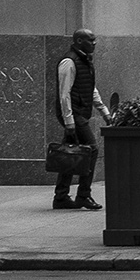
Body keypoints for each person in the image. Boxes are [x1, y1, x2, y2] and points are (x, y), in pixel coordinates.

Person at [53, 28, 111, 212]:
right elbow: (64, 94)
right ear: (79, 41)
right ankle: (83, 195)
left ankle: (61, 196)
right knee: (91, 149)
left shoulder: (85, 60)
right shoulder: (69, 61)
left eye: (94, 40)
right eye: (90, 40)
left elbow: (91, 88)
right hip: (74, 113)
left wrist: (104, 112)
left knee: (70, 152)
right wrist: (69, 122)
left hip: (80, 112)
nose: (94, 43)